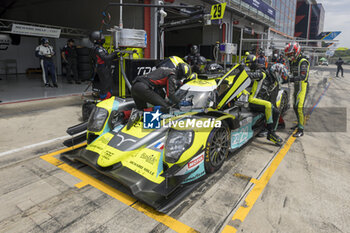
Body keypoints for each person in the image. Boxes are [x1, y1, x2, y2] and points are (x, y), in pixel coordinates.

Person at [244, 54, 283, 145]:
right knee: (268, 105)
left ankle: (271, 132)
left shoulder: (272, 79)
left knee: (276, 112)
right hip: (252, 100)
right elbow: (251, 75)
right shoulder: (262, 74)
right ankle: (270, 132)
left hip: (259, 100)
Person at [284, 42, 309, 137]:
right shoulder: (292, 61)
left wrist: (290, 79)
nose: (290, 56)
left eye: (291, 54)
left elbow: (303, 76)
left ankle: (301, 129)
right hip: (296, 86)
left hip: (303, 86)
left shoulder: (303, 61)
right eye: (288, 55)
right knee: (294, 106)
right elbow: (291, 73)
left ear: (296, 51)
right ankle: (299, 124)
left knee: (299, 107)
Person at [89, 31, 119, 100]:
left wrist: (115, 54)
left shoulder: (101, 48)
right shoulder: (97, 49)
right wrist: (114, 53)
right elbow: (105, 58)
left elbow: (108, 57)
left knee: (109, 85)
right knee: (105, 86)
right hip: (102, 69)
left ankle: (108, 99)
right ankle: (104, 100)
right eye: (101, 37)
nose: (103, 38)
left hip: (106, 68)